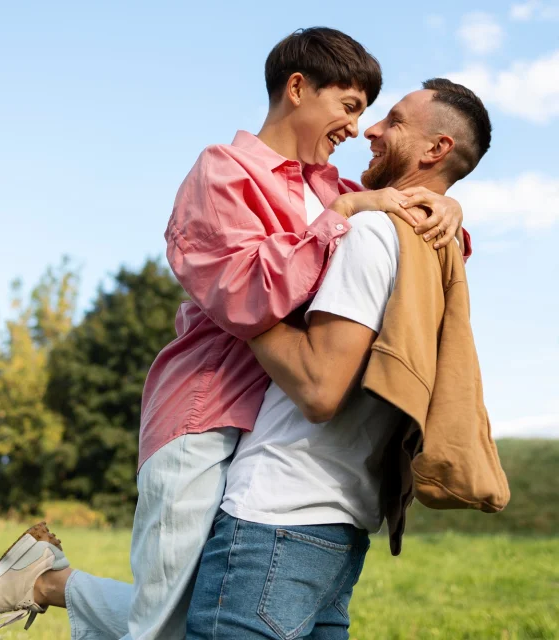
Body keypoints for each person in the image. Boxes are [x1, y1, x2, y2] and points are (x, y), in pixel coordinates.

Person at [0, 29, 468, 639]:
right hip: (205, 412)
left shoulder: (332, 187)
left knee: (201, 611)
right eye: (349, 107)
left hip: (266, 429)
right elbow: (244, 293)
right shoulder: (223, 172)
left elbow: (400, 246)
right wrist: (342, 218)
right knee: (165, 623)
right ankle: (48, 581)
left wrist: (447, 210)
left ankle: (51, 580)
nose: (356, 129)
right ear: (298, 89)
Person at [185, 78, 493, 639]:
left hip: (276, 513)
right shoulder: (437, 246)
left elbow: (319, 388)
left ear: (436, 149)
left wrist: (230, 297)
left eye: (394, 120)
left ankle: (51, 585)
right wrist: (448, 201)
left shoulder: (371, 232)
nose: (370, 129)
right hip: (344, 523)